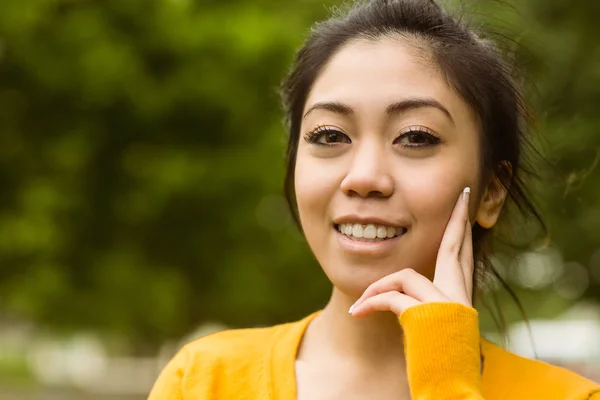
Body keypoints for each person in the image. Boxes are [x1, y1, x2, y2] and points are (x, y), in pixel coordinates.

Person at [148, 0, 600, 398]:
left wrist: (447, 384)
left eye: (416, 138)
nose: (363, 177)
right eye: (329, 135)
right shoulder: (206, 383)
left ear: (491, 192)